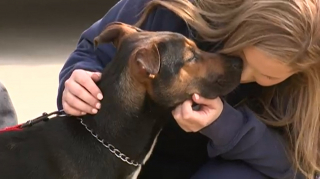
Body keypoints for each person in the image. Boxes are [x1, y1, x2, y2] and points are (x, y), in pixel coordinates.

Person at [56, 0, 320, 178]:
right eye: (238, 57)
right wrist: (77, 78)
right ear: (239, 24)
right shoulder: (171, 9)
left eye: (265, 75)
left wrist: (229, 128)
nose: (241, 76)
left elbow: (302, 168)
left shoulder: (304, 80)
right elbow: (92, 48)